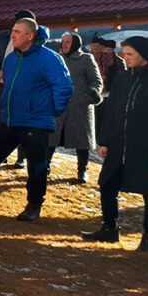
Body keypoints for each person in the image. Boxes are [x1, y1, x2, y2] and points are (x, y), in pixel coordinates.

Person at [0, 18, 73, 221]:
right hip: (11, 119)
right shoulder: (10, 59)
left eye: (18, 31)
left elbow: (64, 88)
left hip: (36, 122)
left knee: (36, 166)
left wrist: (49, 111)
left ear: (30, 35)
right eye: (13, 31)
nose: (13, 35)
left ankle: (34, 206)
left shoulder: (50, 59)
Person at [81, 36, 148, 252]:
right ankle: (109, 228)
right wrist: (104, 140)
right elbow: (112, 111)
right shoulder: (123, 78)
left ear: (144, 56)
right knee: (107, 184)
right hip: (118, 144)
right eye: (124, 53)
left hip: (146, 148)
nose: (126, 58)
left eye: (131, 54)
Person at [48, 32, 103, 184]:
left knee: (81, 142)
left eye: (68, 42)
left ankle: (82, 171)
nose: (64, 45)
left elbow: (96, 81)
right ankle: (45, 167)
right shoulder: (58, 59)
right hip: (58, 105)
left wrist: (89, 97)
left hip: (79, 106)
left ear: (76, 44)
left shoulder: (86, 59)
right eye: (63, 42)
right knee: (51, 138)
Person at [0, 9, 36, 167]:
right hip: (2, 84)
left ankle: (21, 158)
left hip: (23, 88)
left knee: (21, 122)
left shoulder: (35, 41)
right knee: (0, 122)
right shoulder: (2, 37)